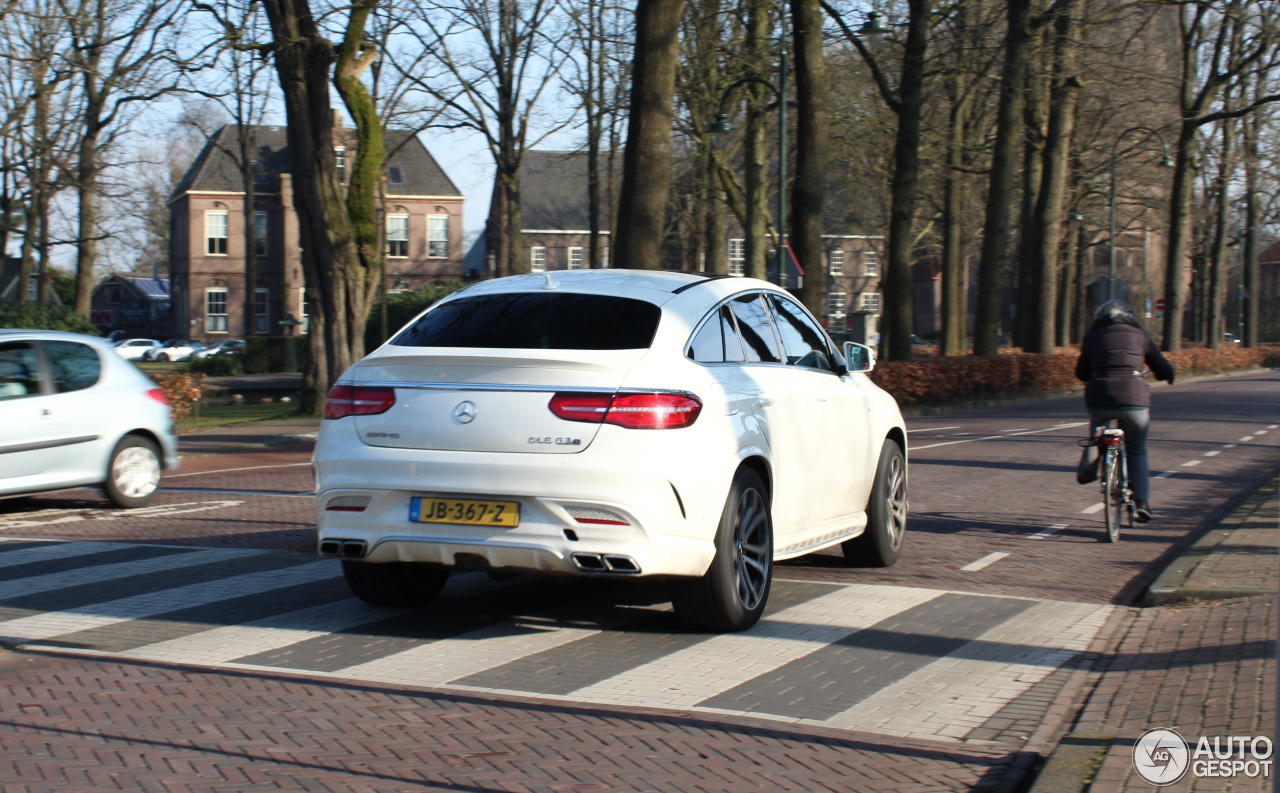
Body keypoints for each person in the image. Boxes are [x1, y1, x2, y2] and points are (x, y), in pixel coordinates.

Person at [1075, 300, 1175, 522]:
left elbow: (1081, 372)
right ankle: (1141, 502)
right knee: (1137, 450)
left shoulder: (1092, 337)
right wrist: (1167, 375)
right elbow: (1160, 364)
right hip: (1134, 399)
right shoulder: (1139, 335)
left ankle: (1094, 454)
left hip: (1099, 398)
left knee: (1098, 424)